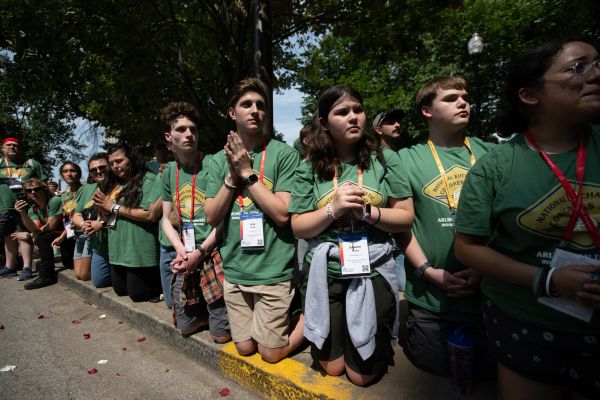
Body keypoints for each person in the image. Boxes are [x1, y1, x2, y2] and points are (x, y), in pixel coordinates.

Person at [455, 38, 600, 400]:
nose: (596, 75)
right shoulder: (495, 166)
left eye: (598, 64)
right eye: (577, 67)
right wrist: (548, 279)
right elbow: (467, 247)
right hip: (526, 322)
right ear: (530, 96)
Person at [289, 84, 414, 386]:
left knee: (362, 376)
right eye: (342, 112)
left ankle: (368, 338)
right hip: (326, 272)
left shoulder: (385, 159)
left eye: (357, 109)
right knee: (332, 368)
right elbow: (298, 226)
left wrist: (371, 213)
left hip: (373, 270)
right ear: (323, 122)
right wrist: (333, 209)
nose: (353, 117)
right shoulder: (309, 167)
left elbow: (405, 216)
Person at [397, 76, 495, 378]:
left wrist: (483, 269)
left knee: (488, 373)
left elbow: (507, 222)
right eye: (451, 98)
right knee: (435, 370)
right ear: (427, 110)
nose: (463, 102)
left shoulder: (492, 154)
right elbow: (402, 226)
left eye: (465, 96)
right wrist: (428, 271)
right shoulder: (406, 159)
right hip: (431, 299)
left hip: (489, 295)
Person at [205, 78, 303, 363]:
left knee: (270, 354)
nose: (255, 110)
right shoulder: (215, 160)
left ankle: (312, 320)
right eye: (246, 104)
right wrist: (231, 175)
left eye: (261, 105)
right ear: (232, 113)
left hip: (273, 270)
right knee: (245, 348)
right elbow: (212, 216)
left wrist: (247, 172)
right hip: (235, 270)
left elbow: (282, 214)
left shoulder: (283, 154)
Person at [160, 101, 230, 342]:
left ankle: (217, 316)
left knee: (221, 337)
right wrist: (181, 250)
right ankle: (201, 312)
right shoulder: (169, 171)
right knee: (186, 329)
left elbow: (224, 217)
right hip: (186, 253)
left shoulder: (213, 162)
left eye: (193, 129)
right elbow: (165, 220)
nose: (189, 134)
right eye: (181, 129)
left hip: (213, 250)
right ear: (169, 137)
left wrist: (201, 251)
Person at [92, 143, 161, 302]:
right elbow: (108, 214)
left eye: (119, 161)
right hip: (118, 250)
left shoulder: (148, 179)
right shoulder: (114, 184)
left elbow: (149, 214)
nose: (115, 166)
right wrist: (102, 208)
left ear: (132, 159)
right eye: (112, 163)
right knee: (120, 290)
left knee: (137, 295)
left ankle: (159, 285)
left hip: (138, 250)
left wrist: (113, 206)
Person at [0, 137, 47, 280]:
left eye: (15, 145)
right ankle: (10, 267)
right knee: (9, 236)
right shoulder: (0, 163)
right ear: (2, 147)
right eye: (9, 145)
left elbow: (43, 183)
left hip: (27, 206)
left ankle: (27, 267)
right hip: (3, 206)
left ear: (19, 148)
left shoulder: (31, 164)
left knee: (24, 235)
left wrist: (40, 202)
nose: (12, 147)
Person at [373, 108, 409, 291]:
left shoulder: (405, 154)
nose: (397, 124)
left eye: (398, 121)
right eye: (391, 121)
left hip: (408, 232)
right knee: (399, 286)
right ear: (379, 129)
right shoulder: (374, 158)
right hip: (388, 235)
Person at [14, 178, 62, 289]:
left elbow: (51, 226)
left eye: (37, 189)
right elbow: (35, 228)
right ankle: (44, 272)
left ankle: (47, 276)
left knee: (42, 237)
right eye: (29, 191)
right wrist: (22, 212)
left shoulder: (54, 201)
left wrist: (30, 235)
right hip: (53, 236)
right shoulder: (33, 209)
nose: (33, 192)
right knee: (41, 236)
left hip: (66, 233)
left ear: (44, 189)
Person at [72, 154, 110, 284]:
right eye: (93, 169)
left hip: (110, 239)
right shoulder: (86, 189)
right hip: (90, 237)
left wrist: (100, 223)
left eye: (102, 167)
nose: (98, 171)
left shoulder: (118, 186)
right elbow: (76, 215)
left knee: (95, 280)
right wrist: (83, 224)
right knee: (82, 276)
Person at [51, 162, 83, 272]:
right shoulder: (64, 195)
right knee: (68, 264)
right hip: (69, 232)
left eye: (72, 170)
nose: (69, 174)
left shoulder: (86, 190)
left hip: (83, 231)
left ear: (79, 173)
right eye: (65, 171)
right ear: (61, 175)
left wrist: (62, 236)